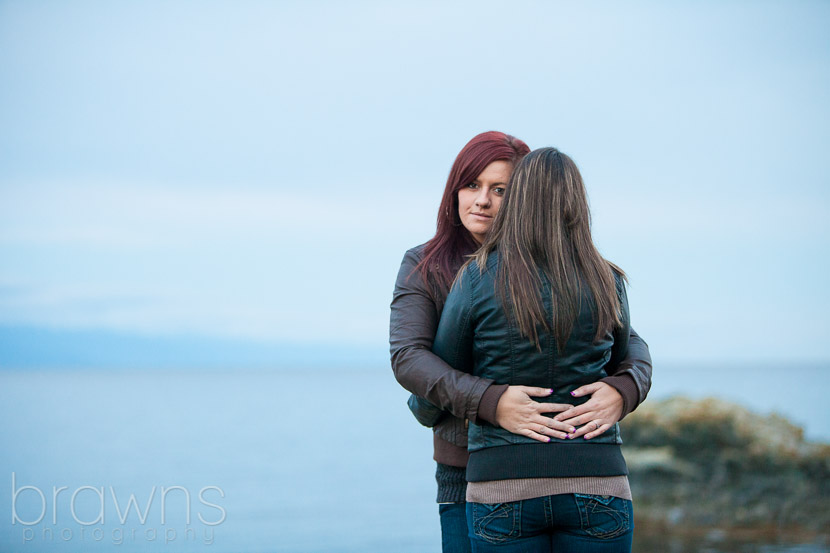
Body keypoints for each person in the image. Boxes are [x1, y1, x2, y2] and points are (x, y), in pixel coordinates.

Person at [389, 134, 652, 553]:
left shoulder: (579, 269)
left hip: (543, 463)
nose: (482, 201)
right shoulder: (426, 264)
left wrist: (625, 389)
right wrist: (490, 401)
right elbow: (409, 356)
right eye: (471, 185)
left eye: (500, 189)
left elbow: (627, 340)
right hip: (464, 464)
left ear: (527, 195)